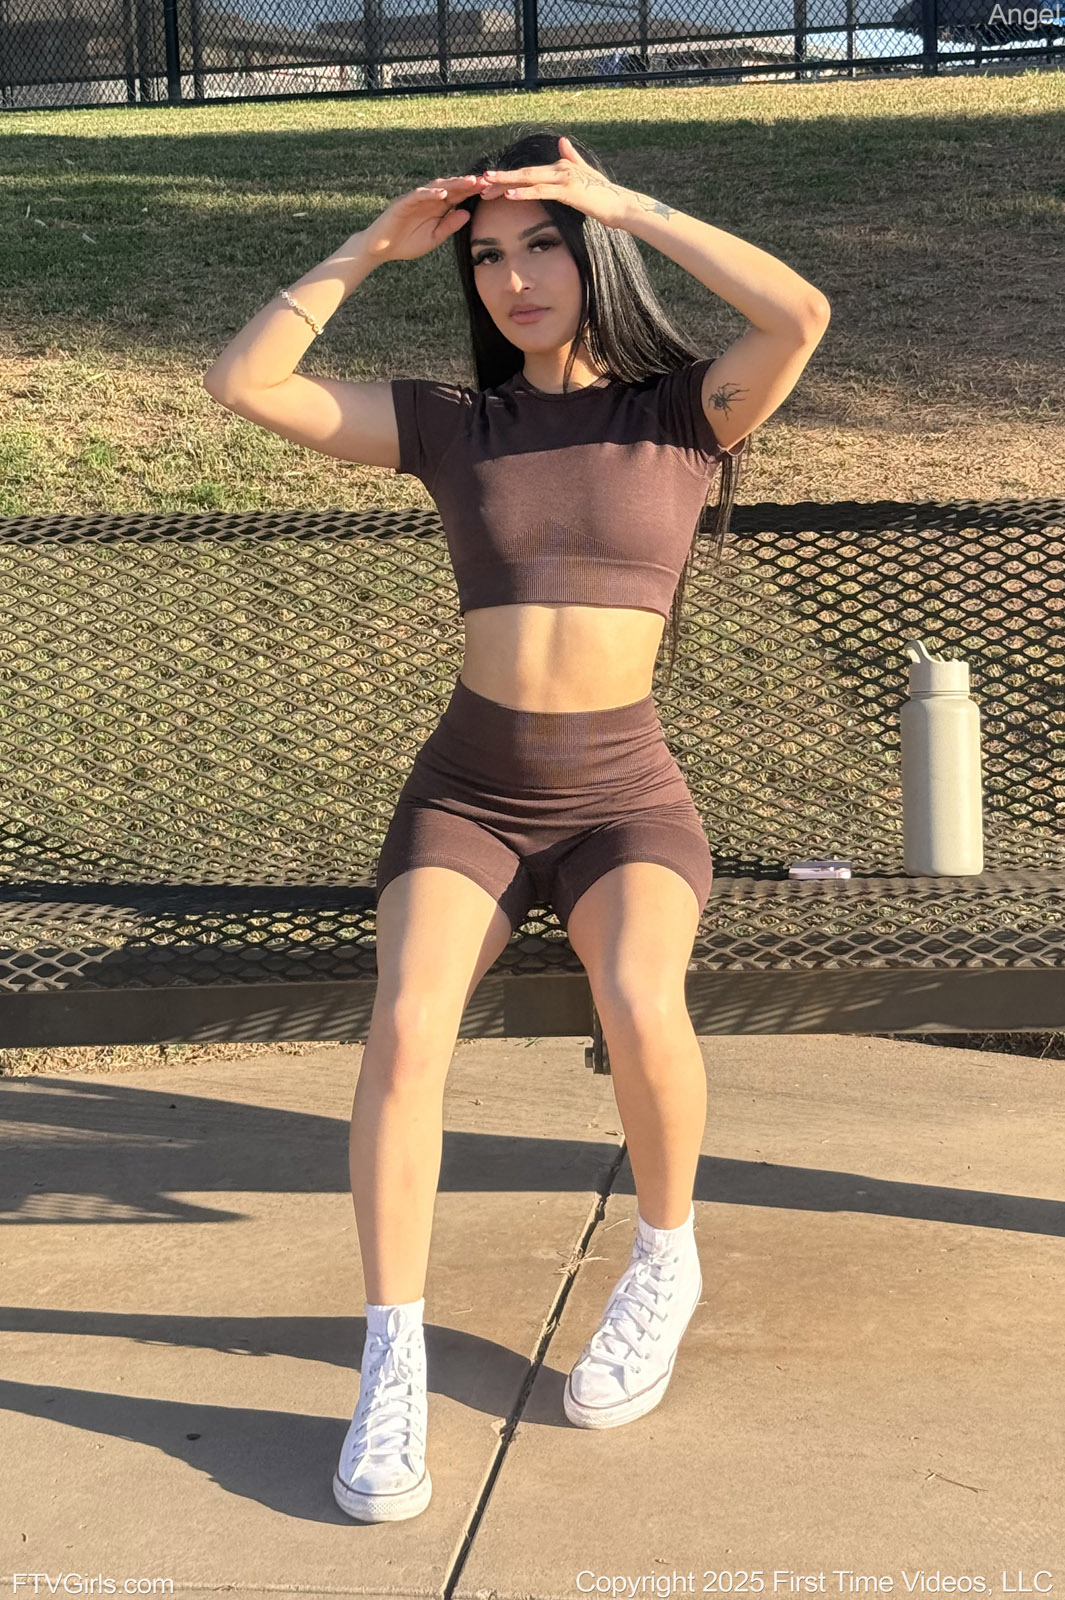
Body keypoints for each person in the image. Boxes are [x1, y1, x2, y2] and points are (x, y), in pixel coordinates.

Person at [203, 127, 830, 1524]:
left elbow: (798, 312)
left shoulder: (684, 413)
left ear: (592, 251)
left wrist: (622, 201)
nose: (513, 277)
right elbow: (245, 382)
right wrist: (373, 248)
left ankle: (663, 1257)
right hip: (470, 793)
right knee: (407, 1024)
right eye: (488, 257)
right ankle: (392, 1356)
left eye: (542, 244)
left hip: (623, 799)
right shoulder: (453, 423)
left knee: (637, 993)